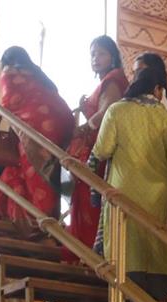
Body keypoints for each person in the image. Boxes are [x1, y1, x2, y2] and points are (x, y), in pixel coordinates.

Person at [93, 66, 167, 302]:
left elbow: (101, 151)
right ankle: (154, 301)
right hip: (159, 194)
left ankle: (127, 301)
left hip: (124, 191)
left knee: (125, 246)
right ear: (156, 88)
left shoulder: (117, 110)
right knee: (153, 244)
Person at [0, 46, 75, 225]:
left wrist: (21, 132)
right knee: (50, 173)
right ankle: (50, 221)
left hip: (34, 128)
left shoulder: (9, 73)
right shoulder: (37, 74)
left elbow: (9, 103)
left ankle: (40, 224)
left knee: (36, 174)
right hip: (60, 126)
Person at [66, 36, 128, 256]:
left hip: (99, 154)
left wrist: (84, 127)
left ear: (113, 57)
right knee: (84, 203)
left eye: (101, 53)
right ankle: (84, 256)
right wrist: (86, 112)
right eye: (93, 54)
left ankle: (88, 258)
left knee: (89, 203)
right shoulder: (107, 80)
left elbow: (107, 113)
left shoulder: (113, 79)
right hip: (96, 150)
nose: (95, 58)